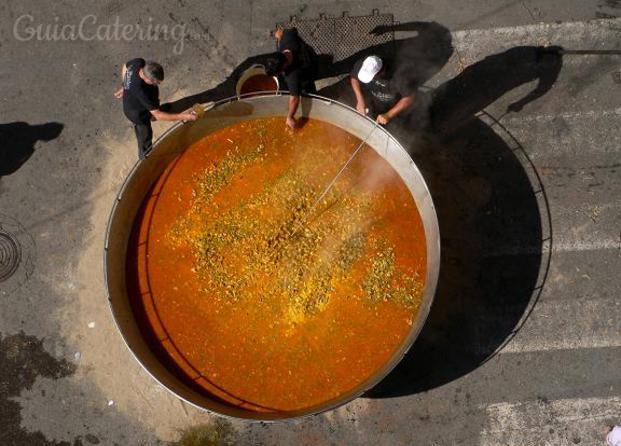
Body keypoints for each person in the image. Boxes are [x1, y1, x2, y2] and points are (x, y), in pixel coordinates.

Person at [114, 58, 197, 159]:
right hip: (137, 114)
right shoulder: (140, 91)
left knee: (156, 111)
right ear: (147, 79)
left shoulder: (138, 63)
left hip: (147, 103)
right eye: (156, 82)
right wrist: (185, 116)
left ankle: (155, 113)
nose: (157, 84)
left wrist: (125, 85)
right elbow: (158, 114)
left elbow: (125, 66)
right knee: (145, 135)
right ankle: (145, 156)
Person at [265, 27, 318, 130]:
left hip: (309, 71)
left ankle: (314, 96)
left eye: (278, 73)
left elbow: (294, 99)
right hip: (311, 54)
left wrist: (290, 117)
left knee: (308, 87)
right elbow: (292, 30)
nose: (277, 75)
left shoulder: (292, 76)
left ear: (284, 67)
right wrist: (279, 36)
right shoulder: (287, 39)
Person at [349, 55, 415, 125]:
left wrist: (389, 115)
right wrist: (360, 100)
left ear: (381, 72)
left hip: (396, 105)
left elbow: (409, 97)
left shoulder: (399, 75)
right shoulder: (365, 64)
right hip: (375, 100)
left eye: (372, 77)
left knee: (398, 123)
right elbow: (354, 78)